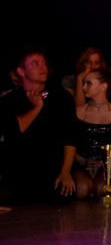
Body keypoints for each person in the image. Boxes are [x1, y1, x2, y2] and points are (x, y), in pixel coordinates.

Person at [0, 48, 76, 205]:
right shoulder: (10, 100)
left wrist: (65, 172)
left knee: (63, 193)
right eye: (36, 64)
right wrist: (36, 108)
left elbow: (70, 137)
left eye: (44, 63)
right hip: (20, 173)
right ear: (21, 71)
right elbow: (14, 132)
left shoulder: (61, 97)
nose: (43, 67)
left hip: (51, 171)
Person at [72, 69, 111, 199]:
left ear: (103, 86)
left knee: (102, 189)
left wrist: (104, 162)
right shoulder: (78, 112)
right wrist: (83, 161)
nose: (83, 87)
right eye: (83, 83)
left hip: (108, 165)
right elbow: (69, 143)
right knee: (81, 189)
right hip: (82, 164)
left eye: (88, 83)